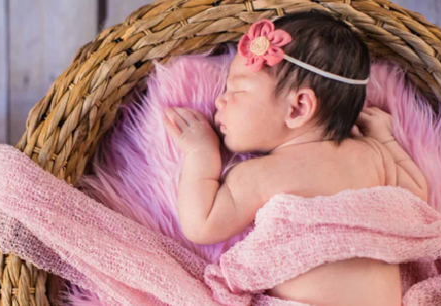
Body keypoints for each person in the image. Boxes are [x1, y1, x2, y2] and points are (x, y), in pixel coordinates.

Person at [162, 11, 427, 306]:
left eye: (236, 90)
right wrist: (385, 138)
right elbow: (417, 196)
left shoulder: (260, 175)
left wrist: (201, 153)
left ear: (298, 107)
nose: (219, 101)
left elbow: (201, 224)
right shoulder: (370, 154)